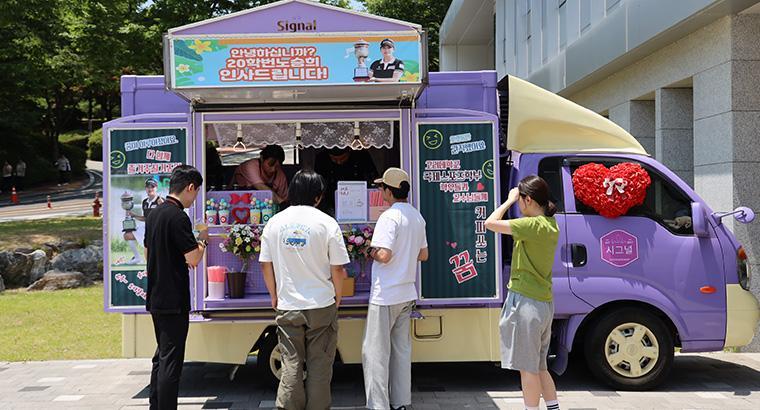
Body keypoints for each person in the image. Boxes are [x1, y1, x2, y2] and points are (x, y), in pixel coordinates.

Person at [259, 170, 350, 410]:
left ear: (292, 192)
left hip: (288, 304)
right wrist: (337, 297)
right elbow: (338, 268)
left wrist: (274, 295)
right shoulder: (327, 223)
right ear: (318, 197)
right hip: (322, 303)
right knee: (320, 366)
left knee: (291, 363)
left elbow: (265, 264)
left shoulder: (275, 222)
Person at [484, 176, 561, 410]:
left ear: (527, 199)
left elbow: (490, 223)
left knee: (527, 369)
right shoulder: (550, 224)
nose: (518, 204)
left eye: (520, 200)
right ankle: (553, 407)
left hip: (526, 303)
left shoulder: (531, 225)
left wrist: (507, 201)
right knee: (539, 367)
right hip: (543, 304)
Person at [362, 168, 428, 410]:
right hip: (406, 293)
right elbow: (424, 254)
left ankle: (378, 405)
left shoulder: (389, 217)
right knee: (401, 352)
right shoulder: (416, 217)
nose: (380, 192)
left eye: (382, 188)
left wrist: (368, 249)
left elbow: (384, 255)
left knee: (376, 353)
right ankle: (401, 403)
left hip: (385, 294)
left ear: (388, 191)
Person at [144, 165, 208, 410]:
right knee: (171, 361)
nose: (195, 197)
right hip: (173, 298)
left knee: (161, 356)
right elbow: (193, 259)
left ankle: (156, 405)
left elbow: (148, 251)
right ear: (190, 187)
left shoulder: (155, 213)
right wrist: (203, 238)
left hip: (156, 296)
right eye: (197, 191)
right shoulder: (179, 216)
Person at [314, 147, 379, 215]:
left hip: (358, 200)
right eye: (334, 159)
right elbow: (318, 185)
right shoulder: (321, 158)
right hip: (330, 201)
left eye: (343, 158)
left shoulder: (361, 155)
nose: (339, 162)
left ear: (349, 151)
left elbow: (373, 178)